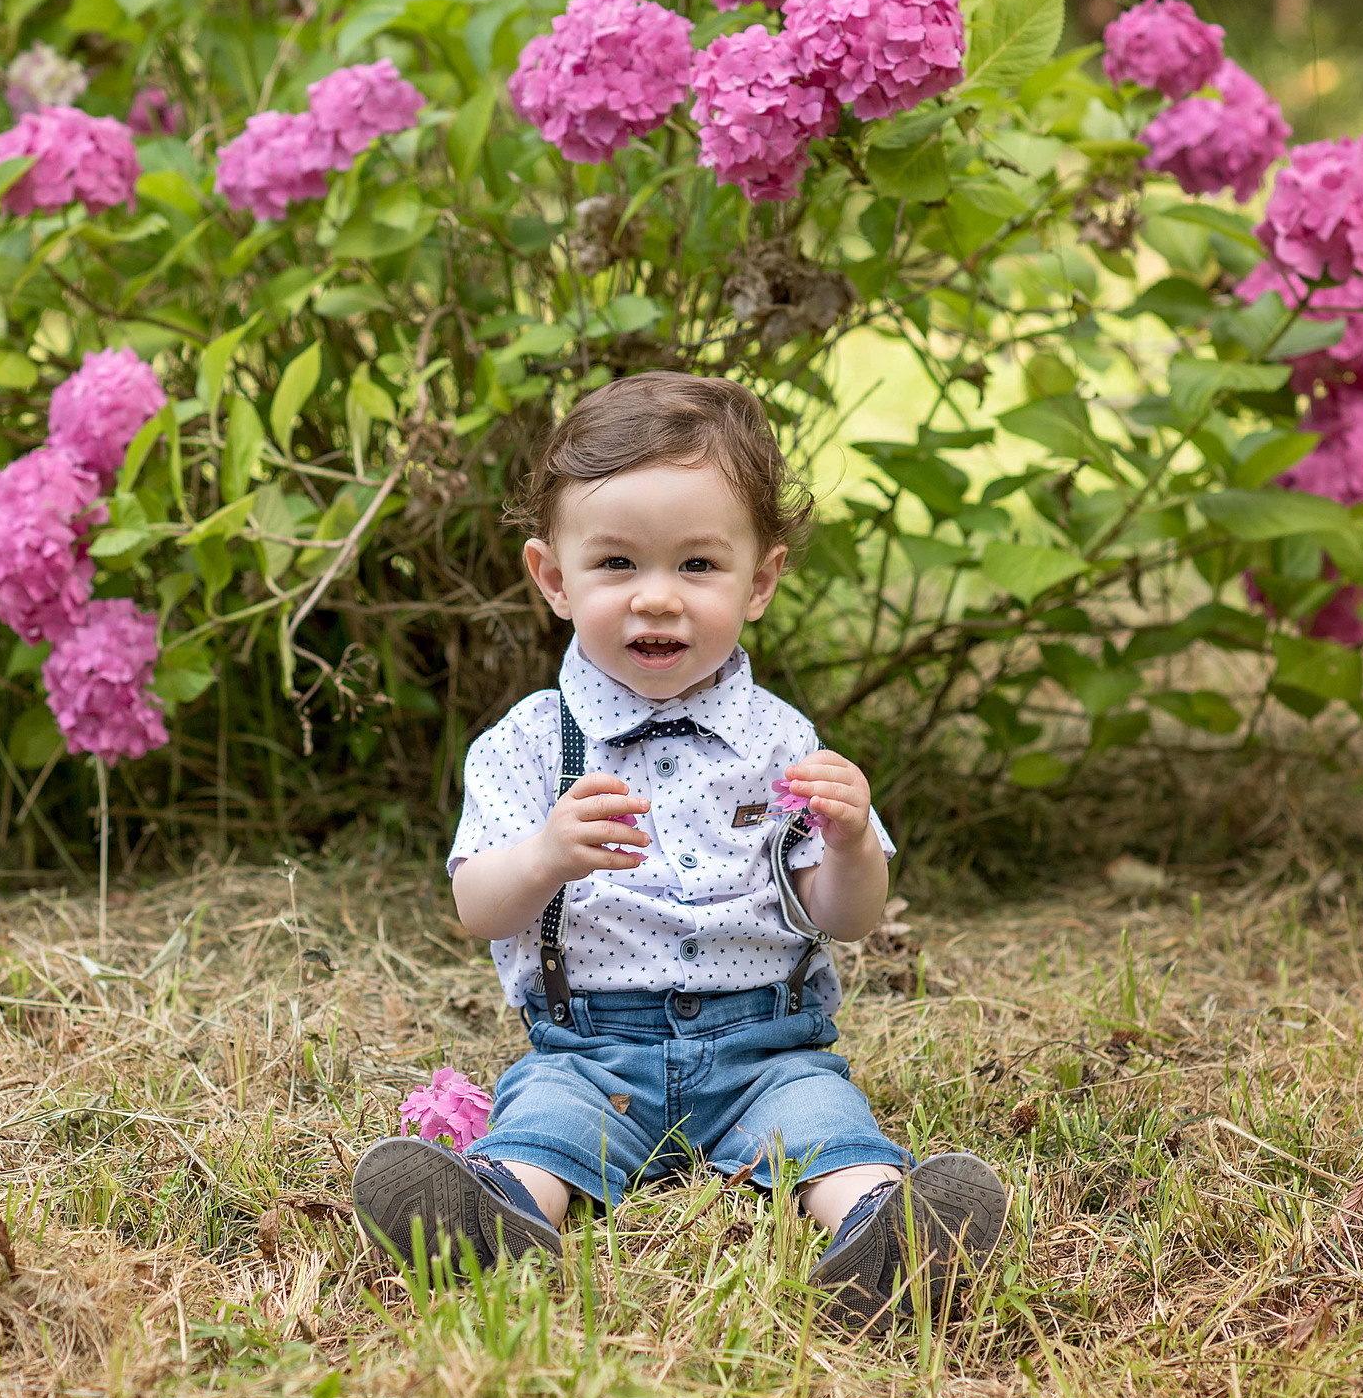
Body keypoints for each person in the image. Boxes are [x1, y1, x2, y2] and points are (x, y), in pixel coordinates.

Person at [351, 371, 1007, 1330]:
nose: (657, 599)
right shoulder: (529, 743)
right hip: (591, 1050)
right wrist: (546, 853)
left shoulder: (785, 740)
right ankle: (487, 1221)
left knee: (827, 1129)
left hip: (765, 1048)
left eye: (698, 565)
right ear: (553, 577)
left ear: (761, 580)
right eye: (616, 563)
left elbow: (847, 917)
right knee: (541, 1128)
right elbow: (478, 908)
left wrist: (854, 838)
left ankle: (887, 1234)